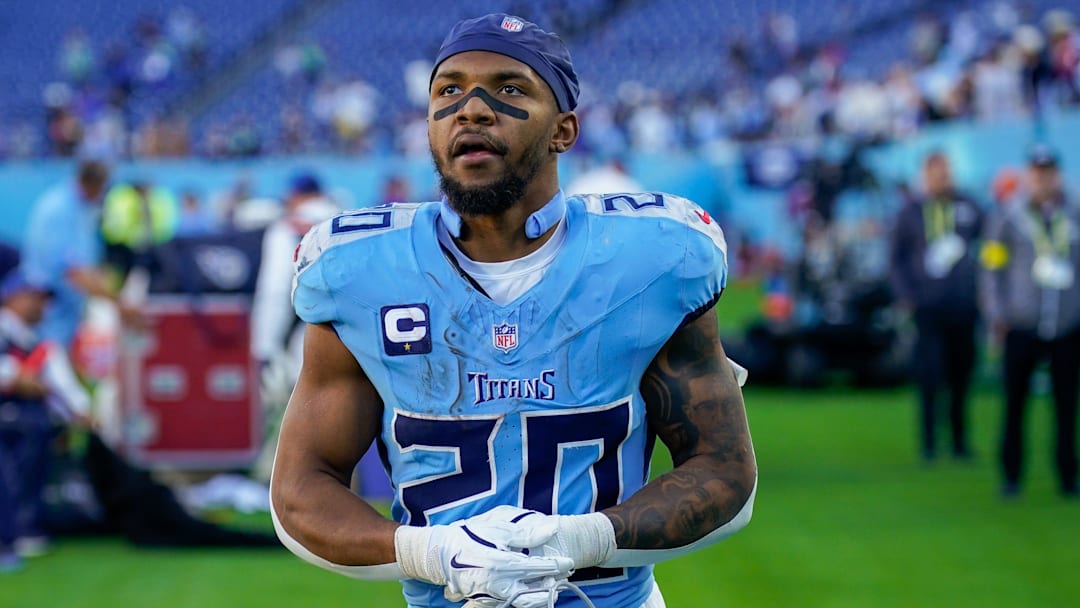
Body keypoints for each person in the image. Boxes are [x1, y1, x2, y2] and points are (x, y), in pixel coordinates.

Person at [270, 14, 757, 608]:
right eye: (448, 90)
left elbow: (722, 468)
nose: (471, 108)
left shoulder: (651, 257)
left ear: (564, 130)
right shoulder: (359, 270)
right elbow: (301, 488)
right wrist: (431, 552)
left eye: (509, 88)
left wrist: (579, 540)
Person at [980, 144, 1080, 498]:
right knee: (1015, 404)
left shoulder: (1074, 212)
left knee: (1067, 407)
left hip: (1067, 324)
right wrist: (997, 313)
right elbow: (992, 268)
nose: (1043, 179)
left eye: (1049, 172)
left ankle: (1068, 475)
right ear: (1027, 175)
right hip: (1022, 323)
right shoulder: (1008, 216)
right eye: (1037, 173)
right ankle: (1011, 476)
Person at [889, 151, 984, 462]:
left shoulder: (968, 207)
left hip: (963, 305)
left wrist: (982, 289)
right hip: (927, 308)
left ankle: (959, 440)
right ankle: (929, 442)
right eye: (935, 173)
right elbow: (897, 258)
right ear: (925, 176)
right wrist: (907, 295)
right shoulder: (911, 212)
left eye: (945, 172)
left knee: (961, 373)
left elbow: (990, 246)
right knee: (929, 375)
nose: (942, 179)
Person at [0, 269, 94, 572]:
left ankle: (22, 530)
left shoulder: (42, 344)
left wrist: (82, 412)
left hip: (30, 426)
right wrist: (16, 379)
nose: (41, 306)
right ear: (12, 298)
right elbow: (15, 378)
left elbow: (64, 389)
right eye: (34, 298)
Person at [249, 172, 338, 481]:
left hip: (302, 335)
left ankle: (283, 481)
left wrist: (263, 346)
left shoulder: (286, 227)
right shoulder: (347, 218)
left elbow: (274, 293)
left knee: (294, 410)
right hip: (348, 335)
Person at [20, 160, 143, 350]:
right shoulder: (58, 209)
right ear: (94, 184)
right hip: (49, 310)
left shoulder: (82, 207)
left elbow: (85, 261)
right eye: (103, 188)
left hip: (68, 309)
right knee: (46, 364)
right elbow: (73, 271)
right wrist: (118, 303)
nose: (103, 194)